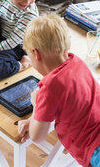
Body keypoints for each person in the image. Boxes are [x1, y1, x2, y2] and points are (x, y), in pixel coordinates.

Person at [18, 14, 100, 167]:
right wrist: (34, 120)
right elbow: (70, 103)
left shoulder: (48, 87)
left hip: (95, 149)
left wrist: (36, 105)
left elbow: (37, 136)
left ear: (36, 54)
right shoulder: (77, 62)